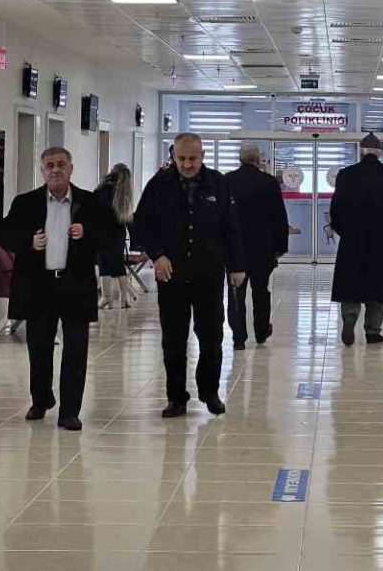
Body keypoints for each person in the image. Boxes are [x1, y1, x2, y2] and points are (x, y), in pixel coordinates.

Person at [0, 147, 115, 431]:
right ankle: (40, 400)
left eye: (61, 164)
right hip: (39, 287)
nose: (55, 170)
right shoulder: (25, 203)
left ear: (71, 169)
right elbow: (4, 235)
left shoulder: (90, 203)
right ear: (42, 171)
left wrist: (87, 233)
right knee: (39, 349)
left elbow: (111, 236)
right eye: (49, 165)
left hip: (75, 286)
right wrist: (29, 242)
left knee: (76, 350)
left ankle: (70, 412)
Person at [133, 133, 246, 418]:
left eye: (192, 158)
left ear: (202, 156)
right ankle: (176, 398)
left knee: (211, 336)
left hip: (208, 273)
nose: (186, 164)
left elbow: (231, 227)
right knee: (173, 339)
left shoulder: (218, 184)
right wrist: (157, 255)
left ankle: (209, 392)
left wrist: (237, 266)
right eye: (181, 158)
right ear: (173, 156)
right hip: (171, 274)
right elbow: (142, 225)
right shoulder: (159, 185)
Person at [329, 133, 383, 346]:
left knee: (350, 281)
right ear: (379, 152)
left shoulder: (346, 175)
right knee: (378, 285)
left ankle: (350, 316)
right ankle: (373, 330)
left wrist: (343, 230)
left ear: (361, 151)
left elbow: (335, 208)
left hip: (352, 239)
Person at [224, 143, 289, 349]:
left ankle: (238, 337)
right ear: (258, 159)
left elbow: (221, 216)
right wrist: (280, 247)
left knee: (236, 293)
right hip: (263, 248)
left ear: (239, 158)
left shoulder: (227, 181)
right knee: (261, 291)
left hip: (235, 249)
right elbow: (279, 217)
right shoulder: (269, 182)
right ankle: (261, 331)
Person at [95, 163, 138, 309]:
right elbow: (126, 218)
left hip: (103, 233)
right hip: (118, 233)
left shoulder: (103, 189)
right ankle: (124, 299)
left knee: (104, 265)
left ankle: (106, 298)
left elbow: (94, 210)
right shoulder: (123, 192)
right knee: (119, 265)